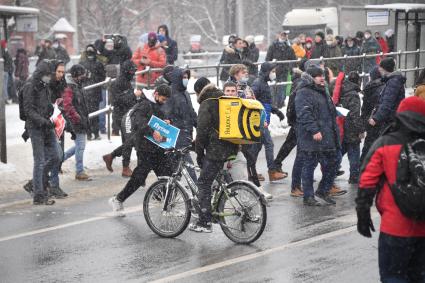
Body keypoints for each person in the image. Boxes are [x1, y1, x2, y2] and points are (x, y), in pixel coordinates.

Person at [356, 96, 425, 283]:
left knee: (393, 276)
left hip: (395, 228)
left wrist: (363, 215)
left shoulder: (385, 143)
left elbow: (367, 181)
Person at [109, 85, 172, 217]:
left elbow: (156, 121)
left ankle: (166, 203)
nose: (164, 102)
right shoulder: (144, 104)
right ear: (156, 94)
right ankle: (118, 199)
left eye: (166, 100)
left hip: (157, 147)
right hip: (145, 148)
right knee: (139, 178)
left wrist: (165, 123)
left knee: (167, 175)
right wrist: (152, 131)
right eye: (163, 99)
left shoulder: (157, 104)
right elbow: (139, 123)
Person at [191, 78, 239, 232]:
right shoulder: (224, 99)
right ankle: (218, 202)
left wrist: (199, 154)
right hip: (230, 146)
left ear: (199, 92)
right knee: (214, 176)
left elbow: (202, 131)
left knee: (204, 183)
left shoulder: (207, 103)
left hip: (217, 150)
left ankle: (204, 221)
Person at [295, 64, 340, 206]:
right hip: (312, 137)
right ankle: (308, 197)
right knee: (309, 166)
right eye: (318, 76)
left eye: (322, 75)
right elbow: (304, 113)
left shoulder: (322, 90)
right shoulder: (303, 92)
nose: (322, 78)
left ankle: (323, 190)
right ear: (311, 77)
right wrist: (314, 130)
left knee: (333, 163)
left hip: (327, 136)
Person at [22, 60, 61, 205]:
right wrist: (43, 120)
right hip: (35, 127)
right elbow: (28, 110)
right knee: (39, 161)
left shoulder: (45, 86)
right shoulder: (30, 86)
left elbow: (46, 104)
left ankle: (35, 182)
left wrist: (52, 111)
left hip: (46, 125)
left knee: (56, 157)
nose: (48, 77)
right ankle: (38, 194)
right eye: (46, 75)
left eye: (49, 75)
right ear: (40, 74)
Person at [274, 60, 308, 197]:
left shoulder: (301, 81)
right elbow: (293, 103)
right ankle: (277, 166)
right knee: (294, 147)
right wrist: (292, 119)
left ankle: (277, 164)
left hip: (298, 122)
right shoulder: (300, 83)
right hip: (298, 122)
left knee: (290, 145)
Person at [251, 62, 286, 181]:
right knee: (269, 144)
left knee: (257, 147)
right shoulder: (258, 83)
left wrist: (276, 111)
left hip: (263, 118)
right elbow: (253, 101)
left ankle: (251, 172)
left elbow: (266, 102)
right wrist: (260, 117)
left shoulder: (263, 83)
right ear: (267, 72)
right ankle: (272, 171)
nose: (274, 74)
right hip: (260, 120)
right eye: (272, 71)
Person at [161, 67, 197, 181]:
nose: (186, 79)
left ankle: (170, 192)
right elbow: (165, 114)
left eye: (187, 77)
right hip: (176, 136)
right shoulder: (170, 93)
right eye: (183, 77)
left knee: (177, 170)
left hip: (186, 134)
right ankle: (197, 191)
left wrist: (201, 127)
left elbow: (191, 113)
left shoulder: (185, 93)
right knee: (187, 166)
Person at [63, 64, 91, 181]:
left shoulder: (78, 86)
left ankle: (59, 159)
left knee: (79, 146)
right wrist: (77, 117)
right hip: (77, 122)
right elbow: (67, 105)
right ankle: (79, 171)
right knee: (80, 146)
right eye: (82, 75)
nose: (84, 77)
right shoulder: (70, 87)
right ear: (76, 76)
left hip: (81, 120)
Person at [338, 72, 364, 184]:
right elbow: (354, 115)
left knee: (341, 150)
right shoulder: (353, 95)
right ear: (358, 82)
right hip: (351, 129)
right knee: (354, 153)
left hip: (342, 126)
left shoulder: (342, 91)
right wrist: (360, 129)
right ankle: (354, 176)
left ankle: (331, 170)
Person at [368, 58, 405, 135]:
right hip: (392, 119)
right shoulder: (392, 81)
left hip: (391, 120)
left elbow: (387, 103)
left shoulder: (393, 83)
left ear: (385, 69)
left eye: (381, 70)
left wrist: (376, 118)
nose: (380, 72)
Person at [80, 44, 106, 140]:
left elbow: (102, 77)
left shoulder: (98, 64)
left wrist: (93, 77)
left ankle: (95, 133)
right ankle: (90, 133)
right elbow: (78, 77)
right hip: (86, 92)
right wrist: (85, 77)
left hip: (94, 92)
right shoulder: (83, 63)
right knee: (88, 113)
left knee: (93, 113)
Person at [360, 66, 385, 163]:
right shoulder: (385, 86)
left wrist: (363, 124)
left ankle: (361, 170)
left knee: (368, 148)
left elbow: (365, 108)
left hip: (372, 122)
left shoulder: (371, 88)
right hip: (382, 122)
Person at [265, 31, 296, 108]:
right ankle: (273, 104)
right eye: (282, 35)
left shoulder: (289, 47)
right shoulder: (273, 46)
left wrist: (290, 68)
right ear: (279, 35)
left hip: (284, 71)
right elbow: (268, 58)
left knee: (282, 88)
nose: (283, 36)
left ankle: (280, 104)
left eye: (284, 35)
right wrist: (270, 67)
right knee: (273, 87)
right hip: (273, 70)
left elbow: (293, 59)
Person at [110, 60, 138, 137]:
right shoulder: (119, 82)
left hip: (126, 114)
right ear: (126, 71)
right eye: (132, 71)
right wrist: (134, 95)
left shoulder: (127, 81)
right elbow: (117, 100)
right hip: (121, 114)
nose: (133, 74)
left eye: (134, 71)